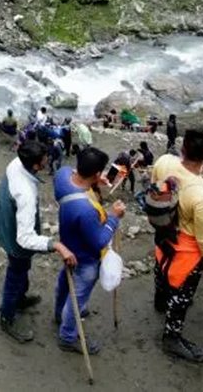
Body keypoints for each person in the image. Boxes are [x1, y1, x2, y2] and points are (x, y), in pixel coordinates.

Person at [151, 131, 203, 362]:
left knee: (161, 266)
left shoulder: (163, 162)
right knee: (181, 296)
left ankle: (160, 299)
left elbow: (155, 189)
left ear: (182, 150)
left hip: (163, 233)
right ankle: (171, 337)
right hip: (186, 248)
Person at [0, 141, 75, 341]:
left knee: (22, 270)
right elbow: (25, 238)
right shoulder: (26, 194)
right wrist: (55, 245)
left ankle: (20, 299)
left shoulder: (16, 163)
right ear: (36, 166)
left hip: (5, 225)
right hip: (16, 242)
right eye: (45, 159)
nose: (48, 160)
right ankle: (6, 317)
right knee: (15, 276)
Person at [54, 147, 124, 355]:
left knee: (65, 284)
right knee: (79, 296)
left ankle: (59, 313)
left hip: (69, 246)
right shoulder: (84, 210)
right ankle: (67, 336)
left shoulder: (63, 175)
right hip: (85, 258)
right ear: (95, 174)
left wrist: (94, 181)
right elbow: (99, 241)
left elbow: (72, 173)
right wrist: (113, 217)